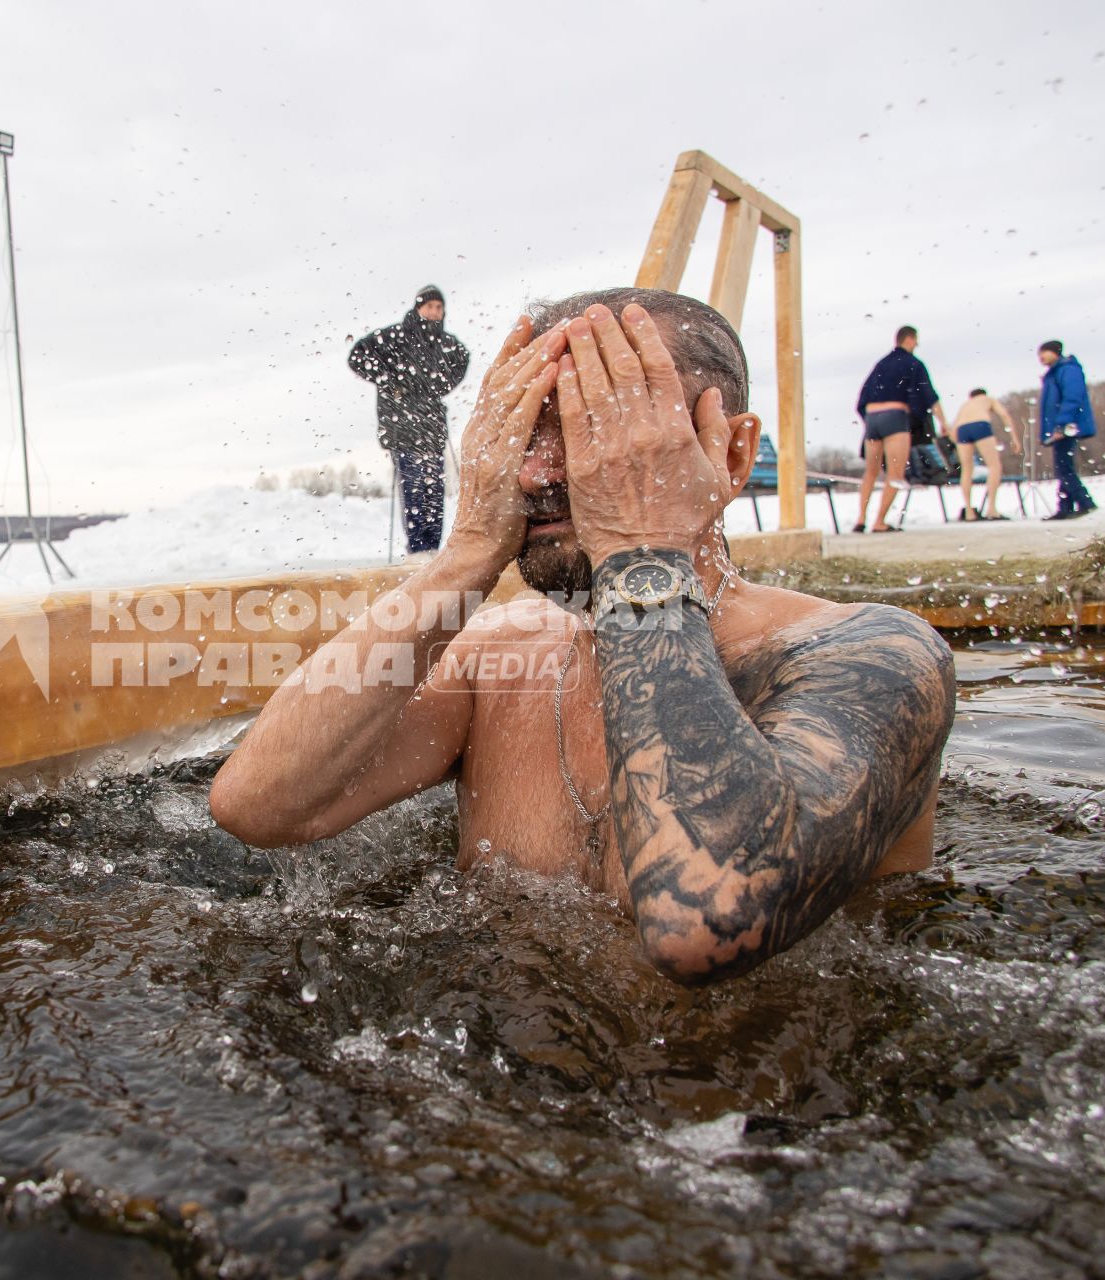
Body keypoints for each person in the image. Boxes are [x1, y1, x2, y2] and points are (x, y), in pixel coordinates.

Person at [211, 288, 955, 987]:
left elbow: (706, 921)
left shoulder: (868, 652)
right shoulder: (498, 660)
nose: (535, 475)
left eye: (591, 431)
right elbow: (262, 808)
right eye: (520, 435)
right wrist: (467, 552)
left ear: (727, 455)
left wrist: (640, 545)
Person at [348, 285, 469, 554]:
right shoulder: (395, 336)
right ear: (418, 308)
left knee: (434, 494)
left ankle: (432, 552)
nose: (434, 312)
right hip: (402, 428)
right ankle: (417, 552)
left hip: (431, 429)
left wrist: (440, 386)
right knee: (414, 491)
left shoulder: (445, 343)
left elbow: (464, 358)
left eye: (439, 307)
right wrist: (389, 381)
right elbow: (357, 355)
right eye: (430, 307)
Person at [852, 325, 948, 533]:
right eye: (916, 341)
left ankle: (861, 519)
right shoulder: (914, 363)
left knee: (871, 472)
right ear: (910, 339)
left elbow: (863, 396)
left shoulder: (881, 364)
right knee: (896, 474)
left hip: (872, 418)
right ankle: (879, 522)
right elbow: (930, 396)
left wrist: (870, 419)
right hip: (895, 417)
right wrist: (944, 423)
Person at [1036, 340, 1098, 521]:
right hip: (1061, 426)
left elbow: (1072, 397)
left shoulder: (1067, 369)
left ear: (1056, 352)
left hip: (1067, 427)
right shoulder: (1054, 372)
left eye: (1044, 352)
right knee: (1063, 466)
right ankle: (1065, 507)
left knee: (1064, 467)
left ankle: (1085, 502)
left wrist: (1061, 425)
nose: (1041, 357)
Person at [949, 387, 1023, 521]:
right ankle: (992, 509)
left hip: (962, 429)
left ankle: (969, 512)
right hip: (980, 426)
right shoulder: (988, 399)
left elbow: (953, 432)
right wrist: (1014, 438)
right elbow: (1004, 414)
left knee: (966, 469)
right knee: (994, 466)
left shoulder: (965, 405)